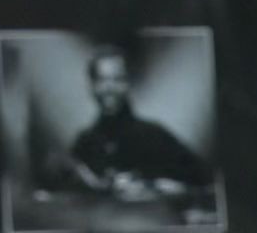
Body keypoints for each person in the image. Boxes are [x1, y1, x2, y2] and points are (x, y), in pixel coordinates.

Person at [53, 45, 209, 210]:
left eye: (118, 79)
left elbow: (203, 180)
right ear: (91, 86)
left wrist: (150, 185)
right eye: (101, 80)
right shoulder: (84, 142)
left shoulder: (155, 135)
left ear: (128, 84)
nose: (109, 88)